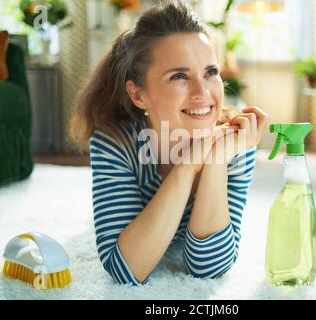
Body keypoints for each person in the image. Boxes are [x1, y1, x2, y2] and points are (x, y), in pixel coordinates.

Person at [69, 0, 268, 286]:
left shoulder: (234, 144)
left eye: (210, 72)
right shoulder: (116, 143)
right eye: (179, 76)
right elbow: (125, 270)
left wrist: (214, 161)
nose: (203, 93)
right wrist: (187, 166)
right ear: (139, 96)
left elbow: (209, 268)